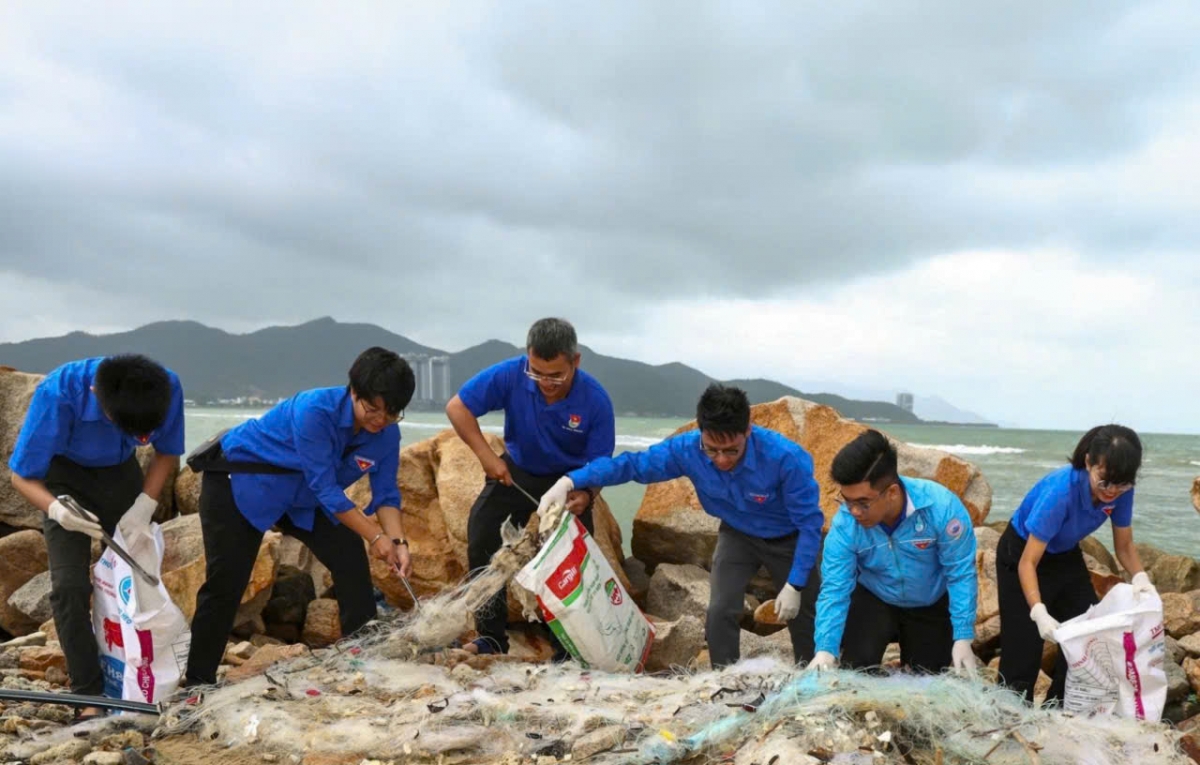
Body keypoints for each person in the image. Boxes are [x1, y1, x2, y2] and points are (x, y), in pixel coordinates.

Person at [540, 383, 824, 667]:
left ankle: (811, 679)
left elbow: (810, 525)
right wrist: (571, 480)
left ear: (748, 430)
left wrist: (795, 584)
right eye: (712, 450)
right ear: (701, 432)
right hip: (738, 534)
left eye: (732, 451)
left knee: (804, 613)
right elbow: (632, 465)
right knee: (721, 608)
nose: (722, 459)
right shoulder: (687, 450)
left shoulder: (786, 458)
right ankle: (724, 679)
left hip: (790, 538)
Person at [184, 347, 415, 686]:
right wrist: (376, 537)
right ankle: (197, 683)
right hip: (242, 482)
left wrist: (398, 541)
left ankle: (361, 660)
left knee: (349, 555)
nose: (379, 420)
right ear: (354, 392)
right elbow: (326, 489)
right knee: (226, 583)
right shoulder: (315, 411)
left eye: (391, 413)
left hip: (300, 498)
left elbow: (387, 494)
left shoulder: (386, 434)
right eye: (372, 409)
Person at [8, 355, 184, 717]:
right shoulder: (58, 395)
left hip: (121, 474)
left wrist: (145, 503)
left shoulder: (165, 388)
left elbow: (167, 451)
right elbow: (21, 477)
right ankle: (89, 694)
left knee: (134, 574)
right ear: (95, 395)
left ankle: (138, 673)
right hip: (63, 479)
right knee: (69, 586)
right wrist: (57, 511)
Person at [446, 317, 615, 656]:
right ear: (528, 358)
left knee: (573, 562)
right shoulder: (512, 373)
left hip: (570, 483)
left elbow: (601, 463)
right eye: (537, 372)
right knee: (482, 537)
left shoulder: (596, 400)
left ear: (575, 361)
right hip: (518, 471)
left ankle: (568, 648)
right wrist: (486, 457)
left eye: (556, 375)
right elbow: (457, 407)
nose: (545, 383)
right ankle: (491, 637)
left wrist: (586, 494)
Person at [997, 424, 1153, 705]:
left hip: (1065, 554)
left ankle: (1059, 710)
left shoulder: (1120, 489)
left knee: (1087, 635)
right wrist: (1038, 610)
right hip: (1022, 553)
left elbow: (1124, 545)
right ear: (1088, 462)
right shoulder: (1061, 492)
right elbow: (1027, 563)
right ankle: (1009, 721)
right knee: (1024, 650)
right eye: (1105, 481)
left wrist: (1141, 576)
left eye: (1123, 484)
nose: (1113, 491)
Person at [809, 429, 979, 674]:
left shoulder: (942, 508)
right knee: (856, 671)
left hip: (929, 601)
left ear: (891, 493)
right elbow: (835, 588)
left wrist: (963, 636)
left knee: (924, 678)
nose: (854, 511)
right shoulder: (845, 524)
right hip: (876, 597)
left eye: (863, 503)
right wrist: (825, 648)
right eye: (847, 501)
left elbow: (961, 574)